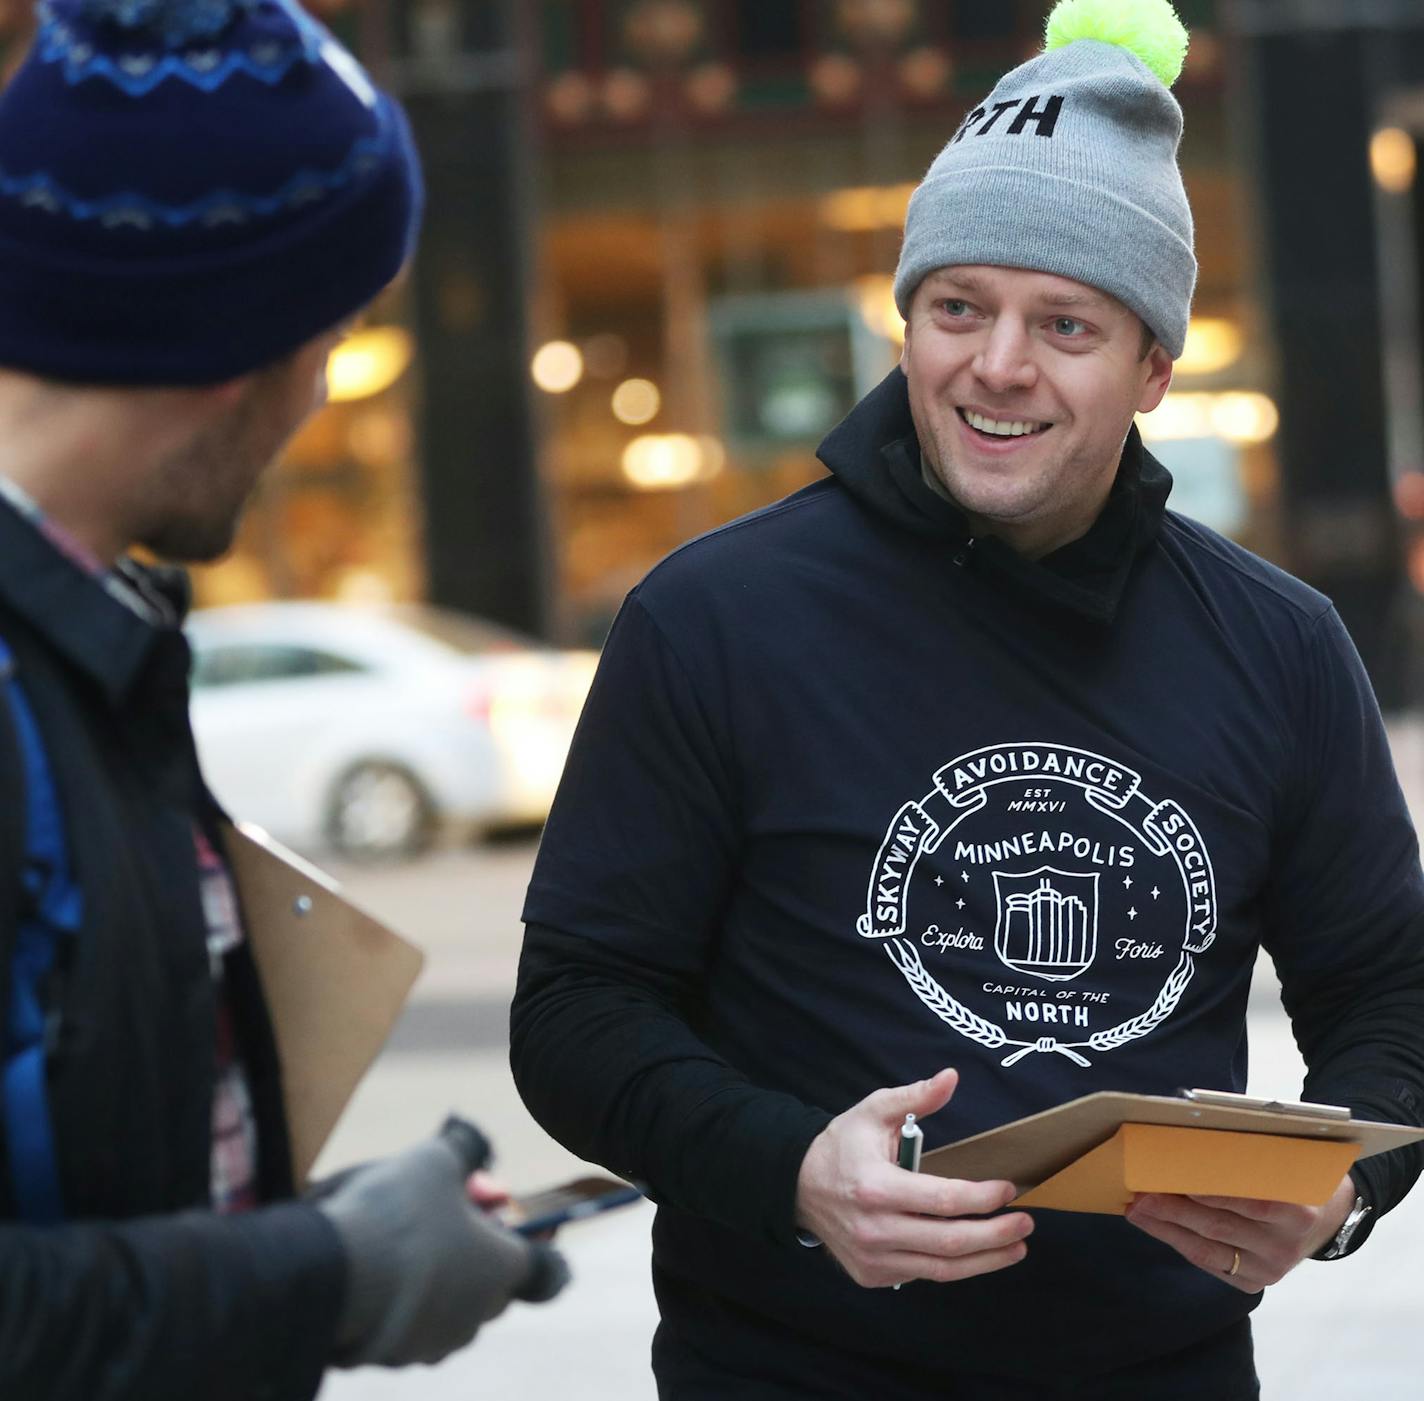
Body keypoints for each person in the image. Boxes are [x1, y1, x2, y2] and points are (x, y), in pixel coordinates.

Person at [511, 1, 1424, 1396]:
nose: (997, 366)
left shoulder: (1279, 645)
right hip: (786, 1370)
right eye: (959, 307)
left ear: (1154, 368)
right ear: (907, 320)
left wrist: (1340, 1187)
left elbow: (1390, 991)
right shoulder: (712, 619)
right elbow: (577, 1013)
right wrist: (792, 1167)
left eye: (1065, 322)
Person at [0, 0, 564, 1396]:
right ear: (234, 342)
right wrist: (328, 1275)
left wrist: (318, 1229)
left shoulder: (88, 638)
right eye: (341, 333)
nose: (327, 391)